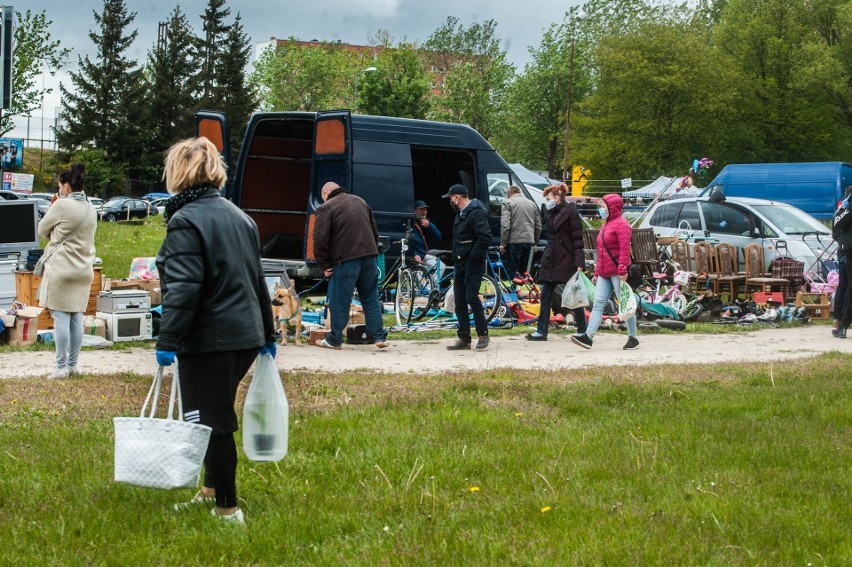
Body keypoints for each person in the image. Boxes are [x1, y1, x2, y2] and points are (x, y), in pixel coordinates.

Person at [155, 137, 276, 525]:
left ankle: (228, 507)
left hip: (210, 337)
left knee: (210, 422)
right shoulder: (240, 217)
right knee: (214, 414)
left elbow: (184, 286)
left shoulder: (185, 220)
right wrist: (268, 334)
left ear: (179, 172)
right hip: (243, 334)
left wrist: (167, 339)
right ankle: (209, 489)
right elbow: (258, 280)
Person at [312, 181, 389, 350]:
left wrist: (324, 265)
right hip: (369, 257)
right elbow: (374, 232)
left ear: (326, 194)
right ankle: (379, 337)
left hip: (345, 260)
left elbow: (319, 241)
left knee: (340, 300)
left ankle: (334, 340)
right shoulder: (361, 201)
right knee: (370, 298)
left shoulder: (326, 207)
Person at [38, 163, 97, 379]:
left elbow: (42, 230)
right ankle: (73, 365)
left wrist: (54, 212)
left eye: (60, 185)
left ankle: (60, 368)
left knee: (60, 318)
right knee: (76, 317)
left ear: (66, 187)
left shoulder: (60, 206)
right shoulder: (91, 209)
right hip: (83, 270)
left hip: (61, 268)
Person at [571, 193, 639, 350]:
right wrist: (596, 272)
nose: (601, 209)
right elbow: (601, 250)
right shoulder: (606, 224)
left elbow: (624, 249)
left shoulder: (621, 225)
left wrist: (622, 269)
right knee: (598, 304)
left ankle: (633, 337)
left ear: (612, 208)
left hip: (617, 271)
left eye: (603, 206)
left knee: (625, 304)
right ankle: (588, 337)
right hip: (604, 271)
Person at [526, 184, 586, 341]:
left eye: (548, 197)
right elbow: (550, 230)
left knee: (573, 294)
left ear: (558, 196)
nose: (546, 200)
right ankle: (541, 330)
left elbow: (577, 239)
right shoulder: (551, 212)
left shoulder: (571, 213)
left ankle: (582, 329)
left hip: (566, 259)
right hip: (551, 258)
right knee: (545, 295)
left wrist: (579, 261)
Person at [444, 184, 492, 350]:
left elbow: (485, 237)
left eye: (451, 197)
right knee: (459, 300)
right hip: (459, 261)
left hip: (472, 262)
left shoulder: (477, 212)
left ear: (457, 196)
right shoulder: (461, 214)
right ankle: (464, 337)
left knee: (472, 297)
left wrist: (473, 257)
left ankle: (483, 334)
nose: (450, 200)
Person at [499, 185, 541, 280]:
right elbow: (538, 226)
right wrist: (535, 242)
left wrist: (503, 243)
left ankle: (514, 293)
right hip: (529, 241)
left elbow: (505, 225)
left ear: (509, 193)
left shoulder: (508, 203)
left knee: (514, 273)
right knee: (525, 272)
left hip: (514, 241)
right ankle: (528, 291)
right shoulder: (532, 204)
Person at [831, 186, 852, 337]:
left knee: (845, 285)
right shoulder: (845, 210)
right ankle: (841, 319)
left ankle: (841, 319)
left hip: (845, 250)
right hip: (846, 252)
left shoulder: (843, 210)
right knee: (845, 285)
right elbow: (837, 227)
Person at [411, 199, 443, 279]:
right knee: (418, 274)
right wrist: (414, 254)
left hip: (424, 255)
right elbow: (407, 242)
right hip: (416, 256)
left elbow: (438, 237)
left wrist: (429, 226)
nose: (424, 212)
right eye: (421, 210)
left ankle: (431, 288)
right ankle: (424, 290)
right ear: (414, 211)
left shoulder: (426, 223)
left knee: (441, 266)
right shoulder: (410, 223)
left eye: (425, 210)